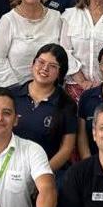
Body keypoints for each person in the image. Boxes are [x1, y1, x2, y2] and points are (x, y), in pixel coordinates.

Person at [10, 45, 77, 177]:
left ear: (60, 73)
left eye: (52, 66)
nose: (44, 68)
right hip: (10, 168)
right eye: (41, 62)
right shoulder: (11, 96)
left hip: (48, 171)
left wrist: (42, 175)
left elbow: (66, 148)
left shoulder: (67, 104)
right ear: (32, 64)